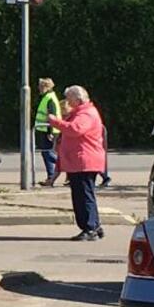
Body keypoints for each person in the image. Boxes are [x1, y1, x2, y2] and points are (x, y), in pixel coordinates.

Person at [48, 85, 108, 242]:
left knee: (83, 195)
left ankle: (90, 228)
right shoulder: (81, 112)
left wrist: (56, 122)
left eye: (69, 98)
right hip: (80, 161)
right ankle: (94, 225)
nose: (67, 101)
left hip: (84, 161)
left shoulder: (86, 113)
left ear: (78, 99)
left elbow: (76, 129)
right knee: (84, 194)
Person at [34, 77, 62, 187]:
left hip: (48, 130)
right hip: (43, 129)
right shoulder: (47, 97)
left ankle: (65, 166)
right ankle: (50, 177)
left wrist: (50, 131)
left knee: (48, 153)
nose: (39, 88)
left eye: (41, 86)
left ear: (46, 87)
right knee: (45, 153)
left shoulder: (49, 98)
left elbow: (52, 115)